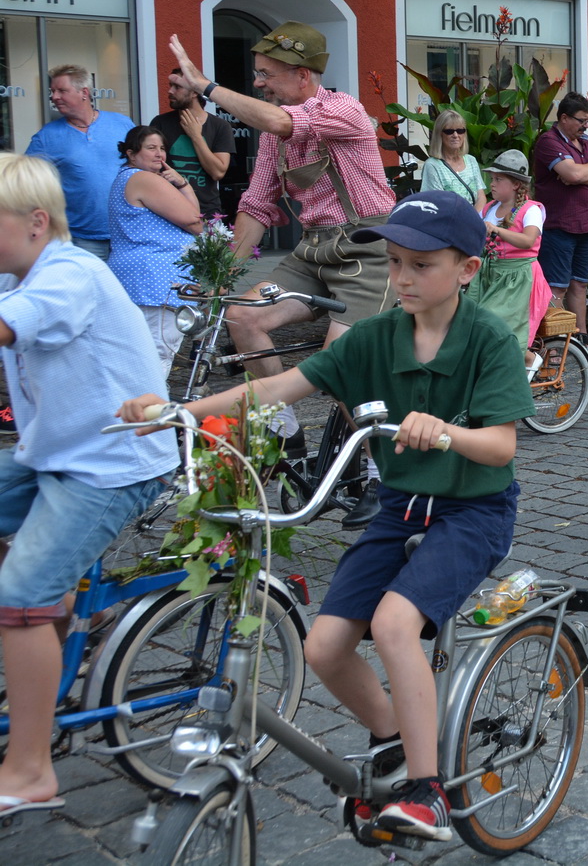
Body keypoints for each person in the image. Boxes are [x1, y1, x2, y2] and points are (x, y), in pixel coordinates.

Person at [120, 190, 534, 843]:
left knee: (396, 623)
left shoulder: (487, 341)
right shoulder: (374, 337)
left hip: (472, 509)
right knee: (323, 646)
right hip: (402, 508)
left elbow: (502, 444)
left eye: (420, 265)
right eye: (395, 262)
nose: (401, 278)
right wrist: (181, 411)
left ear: (468, 270)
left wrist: (447, 432)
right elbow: (278, 386)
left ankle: (428, 793)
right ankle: (394, 736)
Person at [0, 154, 180, 820]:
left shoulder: (68, 273)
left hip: (113, 463)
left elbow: (13, 324)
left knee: (20, 590)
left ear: (35, 222)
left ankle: (31, 768)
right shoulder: (20, 273)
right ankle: (50, 622)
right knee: (25, 589)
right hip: (55, 454)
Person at [164, 25, 396, 380]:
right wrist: (220, 276)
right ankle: (281, 426)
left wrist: (206, 88)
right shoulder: (275, 138)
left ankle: (366, 433)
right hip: (313, 251)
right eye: (257, 73)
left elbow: (281, 121)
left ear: (302, 75)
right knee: (242, 316)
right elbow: (256, 206)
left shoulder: (343, 108)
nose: (257, 82)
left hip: (367, 249)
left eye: (265, 74)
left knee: (335, 368)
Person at [108, 126, 205, 370]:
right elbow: (195, 222)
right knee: (157, 353)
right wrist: (184, 187)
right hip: (155, 280)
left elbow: (195, 218)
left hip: (139, 278)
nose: (159, 154)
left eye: (162, 148)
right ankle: (149, 404)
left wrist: (183, 184)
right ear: (131, 153)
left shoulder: (126, 177)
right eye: (151, 148)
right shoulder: (143, 178)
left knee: (136, 354)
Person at [533, 94, 588, 356]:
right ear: (564, 118)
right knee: (556, 286)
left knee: (579, 283)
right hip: (560, 224)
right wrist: (580, 173)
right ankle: (554, 342)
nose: (586, 126)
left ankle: (580, 338)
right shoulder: (548, 142)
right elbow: (573, 173)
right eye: (581, 120)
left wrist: (580, 174)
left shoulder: (586, 142)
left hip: (584, 223)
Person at [24, 64, 134, 259]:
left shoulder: (121, 124)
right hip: (82, 240)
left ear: (84, 93)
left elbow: (146, 167)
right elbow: (24, 181)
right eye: (52, 91)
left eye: (61, 91)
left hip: (128, 233)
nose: (54, 97)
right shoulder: (46, 137)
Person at [474, 150, 551, 365]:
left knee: (497, 324)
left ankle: (530, 358)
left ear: (516, 184)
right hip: (491, 274)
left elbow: (528, 241)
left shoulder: (531, 210)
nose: (492, 183)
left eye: (499, 179)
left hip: (519, 278)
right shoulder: (489, 208)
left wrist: (496, 230)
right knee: (473, 322)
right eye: (492, 178)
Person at [150, 70, 235, 220]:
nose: (170, 91)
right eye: (170, 86)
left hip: (206, 213)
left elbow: (218, 172)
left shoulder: (220, 126)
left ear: (195, 92)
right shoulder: (160, 123)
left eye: (177, 87)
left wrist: (196, 135)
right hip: (167, 210)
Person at [418, 108, 487, 210]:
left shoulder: (471, 161)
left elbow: (481, 197)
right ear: (440, 134)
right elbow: (437, 203)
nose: (455, 135)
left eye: (460, 131)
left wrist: (473, 219)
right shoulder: (433, 165)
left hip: (473, 221)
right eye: (449, 131)